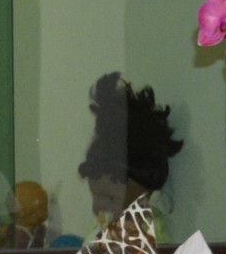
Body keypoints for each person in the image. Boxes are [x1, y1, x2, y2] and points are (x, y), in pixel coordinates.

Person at [76, 71, 184, 226]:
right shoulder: (103, 227)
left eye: (111, 198)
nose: (97, 208)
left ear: (146, 199)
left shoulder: (146, 234)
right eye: (95, 195)